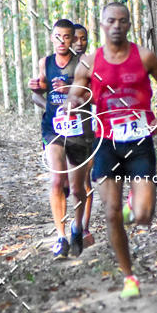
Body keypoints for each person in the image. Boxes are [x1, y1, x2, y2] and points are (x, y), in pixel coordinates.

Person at [66, 3, 157, 298]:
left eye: (122, 21)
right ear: (101, 25)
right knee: (111, 214)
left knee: (143, 216)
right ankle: (129, 278)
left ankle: (134, 206)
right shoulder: (89, 63)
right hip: (106, 144)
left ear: (129, 24)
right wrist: (73, 105)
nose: (116, 25)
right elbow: (76, 95)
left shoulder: (144, 57)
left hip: (140, 143)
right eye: (111, 21)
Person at [28, 19, 95, 258]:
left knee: (78, 188)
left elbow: (97, 96)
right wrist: (39, 94)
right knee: (57, 181)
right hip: (53, 129)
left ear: (73, 39)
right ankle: (61, 237)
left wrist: (72, 94)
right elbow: (38, 94)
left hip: (80, 131)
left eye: (67, 37)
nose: (61, 41)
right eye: (57, 37)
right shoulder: (45, 63)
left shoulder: (84, 63)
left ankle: (78, 227)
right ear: (51, 37)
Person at [72, 24, 95, 248]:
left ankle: (83, 228)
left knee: (86, 184)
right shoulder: (54, 64)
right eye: (75, 39)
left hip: (87, 129)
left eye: (84, 38)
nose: (80, 42)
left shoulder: (91, 63)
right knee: (65, 184)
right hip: (61, 133)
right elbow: (41, 96)